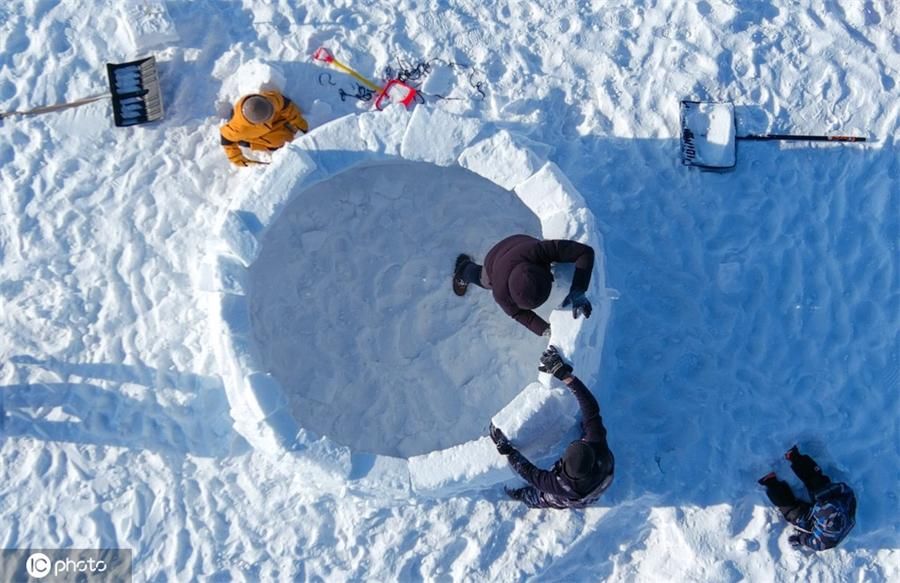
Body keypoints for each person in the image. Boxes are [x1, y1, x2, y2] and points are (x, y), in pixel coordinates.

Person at [489, 346, 614, 509]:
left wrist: (509, 452)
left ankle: (531, 498)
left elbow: (531, 474)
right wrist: (564, 375)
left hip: (582, 495)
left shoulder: (563, 485)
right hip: (604, 474)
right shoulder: (598, 445)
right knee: (590, 424)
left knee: (548, 497)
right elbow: (590, 407)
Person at [453, 234, 595, 336]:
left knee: (550, 249)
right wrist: (544, 329)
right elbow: (517, 313)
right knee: (484, 279)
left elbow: (585, 252)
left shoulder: (539, 250)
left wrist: (578, 289)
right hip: (495, 258)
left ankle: (465, 268)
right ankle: (464, 269)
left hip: (520, 243)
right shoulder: (499, 291)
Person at [758, 446, 857, 551]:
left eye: (819, 508)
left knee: (793, 513)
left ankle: (771, 482)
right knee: (818, 481)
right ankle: (795, 456)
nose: (818, 507)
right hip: (828, 498)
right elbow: (844, 489)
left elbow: (810, 542)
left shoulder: (824, 541)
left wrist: (799, 539)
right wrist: (827, 492)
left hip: (812, 522)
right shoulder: (847, 503)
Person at [220, 90, 309, 167]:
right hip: (256, 133)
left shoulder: (269, 101)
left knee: (283, 127)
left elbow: (285, 105)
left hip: (272, 122)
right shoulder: (239, 129)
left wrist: (297, 121)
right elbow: (225, 138)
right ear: (256, 123)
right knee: (280, 141)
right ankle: (246, 143)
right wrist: (236, 158)